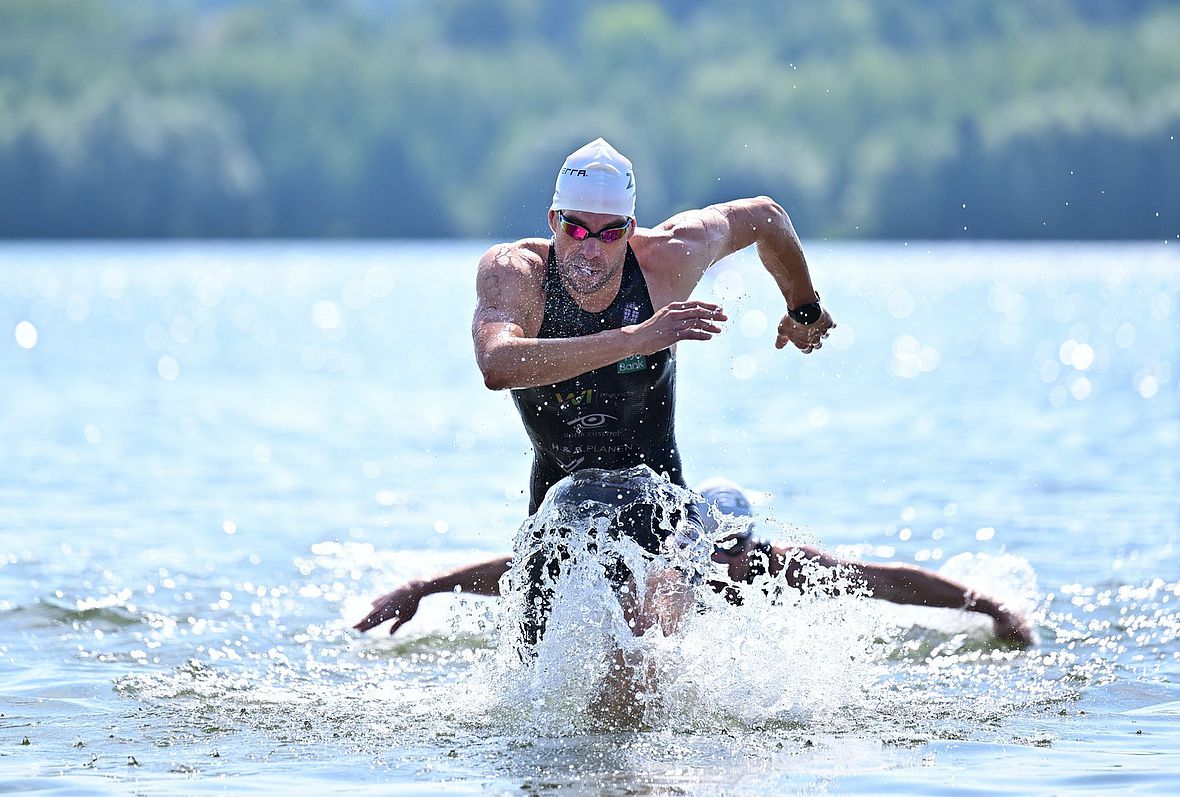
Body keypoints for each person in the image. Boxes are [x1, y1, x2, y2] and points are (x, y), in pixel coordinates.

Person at [354, 137, 1034, 649]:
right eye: (575, 228)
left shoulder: (670, 258)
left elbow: (765, 216)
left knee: (642, 646)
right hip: (557, 486)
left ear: (632, 229)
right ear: (553, 219)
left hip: (656, 487)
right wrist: (637, 338)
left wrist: (802, 310)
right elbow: (498, 363)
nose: (590, 248)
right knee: (537, 663)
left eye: (610, 230)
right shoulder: (516, 273)